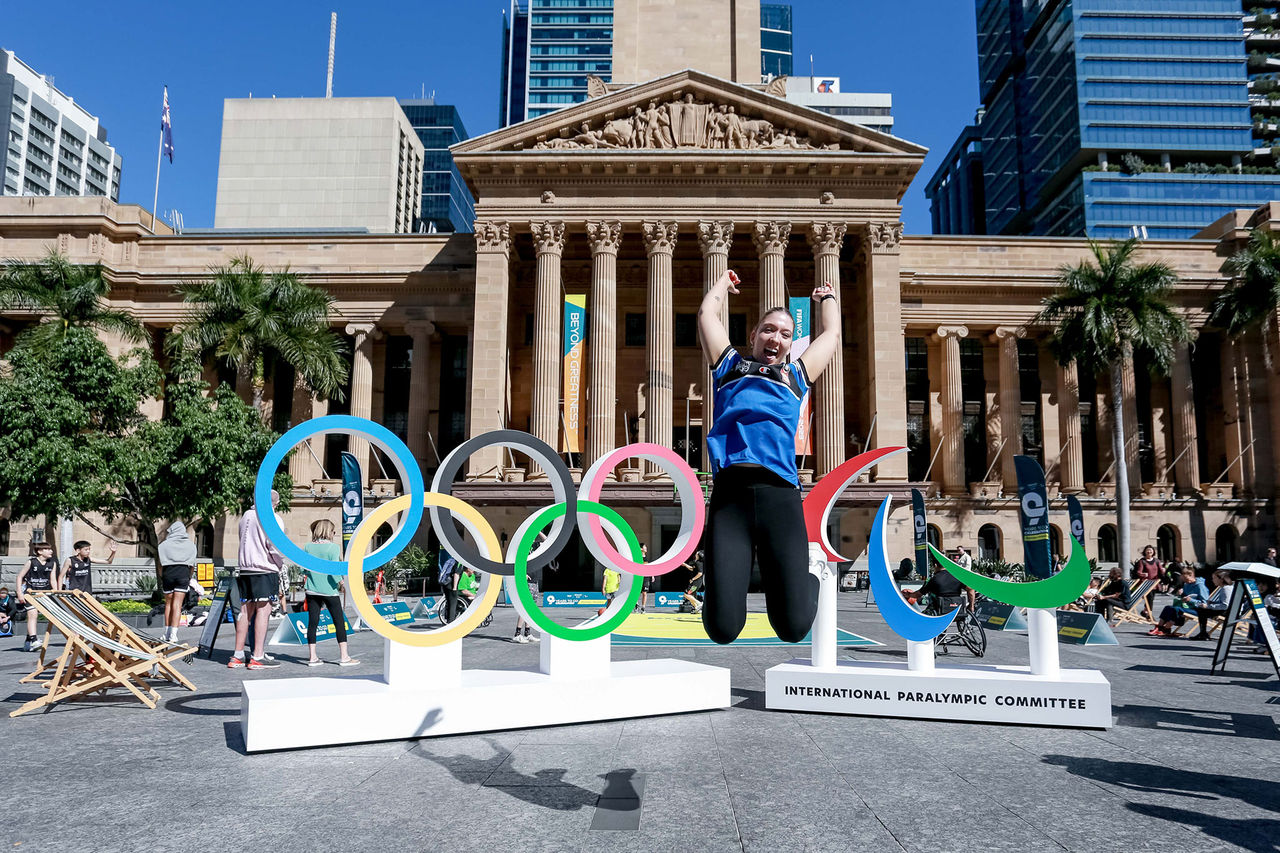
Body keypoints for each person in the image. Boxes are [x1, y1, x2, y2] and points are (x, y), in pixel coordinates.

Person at [696, 269, 842, 644]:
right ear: (753, 336)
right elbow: (707, 317)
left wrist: (826, 298)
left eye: (785, 333)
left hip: (780, 497)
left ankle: (810, 574)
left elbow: (830, 336)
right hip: (731, 498)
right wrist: (723, 286)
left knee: (793, 629)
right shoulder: (728, 367)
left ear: (791, 345)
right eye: (768, 330)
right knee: (723, 629)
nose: (775, 337)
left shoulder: (796, 376)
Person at [229, 490, 285, 670]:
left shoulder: (246, 515)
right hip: (264, 569)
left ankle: (237, 655)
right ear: (273, 503)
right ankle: (257, 656)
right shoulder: (272, 519)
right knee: (263, 611)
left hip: (245, 569)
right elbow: (275, 547)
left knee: (245, 611)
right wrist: (279, 564)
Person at [302, 519, 357, 667]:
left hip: (312, 589)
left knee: (313, 622)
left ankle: (312, 658)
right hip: (329, 590)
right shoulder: (333, 548)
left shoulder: (307, 547)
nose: (334, 534)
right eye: (333, 531)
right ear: (328, 531)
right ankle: (344, 657)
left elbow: (303, 569)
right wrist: (341, 583)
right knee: (339, 622)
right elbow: (333, 570)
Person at [158, 521, 197, 645]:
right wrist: (189, 577)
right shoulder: (191, 546)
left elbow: (160, 564)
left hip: (168, 573)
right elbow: (192, 565)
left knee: (168, 604)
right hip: (183, 573)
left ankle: (166, 632)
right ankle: (174, 635)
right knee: (177, 605)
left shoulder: (163, 545)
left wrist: (162, 575)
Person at [16, 543, 59, 652]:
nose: (51, 551)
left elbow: (52, 579)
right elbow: (20, 576)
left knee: (34, 617)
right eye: (47, 549)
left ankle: (28, 640)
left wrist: (56, 592)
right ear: (39, 551)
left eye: (50, 549)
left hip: (44, 594)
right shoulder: (31, 562)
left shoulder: (52, 563)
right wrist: (20, 593)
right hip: (30, 593)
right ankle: (34, 640)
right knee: (33, 615)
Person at [1149, 566, 1210, 637]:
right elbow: (1186, 597)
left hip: (1197, 609)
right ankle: (1159, 627)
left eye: (1186, 579)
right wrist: (1181, 595)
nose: (1186, 581)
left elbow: (1204, 602)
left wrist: (1191, 600)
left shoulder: (1200, 586)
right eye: (1184, 579)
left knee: (1176, 609)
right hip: (1187, 606)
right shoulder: (1187, 584)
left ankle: (1166, 629)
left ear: (1191, 575)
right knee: (1168, 607)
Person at [513, 533, 545, 643]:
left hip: (535, 579)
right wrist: (523, 573)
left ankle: (527, 632)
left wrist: (539, 531)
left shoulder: (536, 546)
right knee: (525, 606)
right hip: (527, 580)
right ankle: (517, 633)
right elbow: (517, 561)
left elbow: (547, 540)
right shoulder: (522, 548)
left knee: (532, 607)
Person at [1188, 570, 1235, 640]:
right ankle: (1203, 633)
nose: (1213, 580)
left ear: (1221, 579)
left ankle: (1203, 633)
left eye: (1214, 578)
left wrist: (1208, 606)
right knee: (1201, 609)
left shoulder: (1226, 589)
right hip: (1229, 610)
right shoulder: (1226, 587)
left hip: (1228, 612)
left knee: (1202, 610)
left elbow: (1225, 605)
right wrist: (1213, 603)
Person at [907, 566, 975, 613]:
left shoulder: (934, 579)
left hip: (941, 611)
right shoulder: (957, 576)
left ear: (936, 565)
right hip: (957, 610)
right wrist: (971, 606)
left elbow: (918, 594)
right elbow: (971, 590)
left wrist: (908, 595)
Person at [1130, 545, 1163, 620]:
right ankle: (1149, 615)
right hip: (1146, 583)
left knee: (1151, 599)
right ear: (1145, 552)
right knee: (1150, 598)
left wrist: (1163, 571)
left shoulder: (1157, 561)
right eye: (1147, 550)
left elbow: (1160, 570)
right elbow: (1138, 572)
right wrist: (1143, 574)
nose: (1149, 552)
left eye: (1150, 550)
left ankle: (1145, 611)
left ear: (1153, 552)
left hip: (1154, 583)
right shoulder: (1142, 561)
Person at [439, 550, 461, 622]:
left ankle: (447, 619)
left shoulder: (451, 560)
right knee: (453, 603)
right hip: (451, 584)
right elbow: (456, 574)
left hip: (445, 583)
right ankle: (451, 622)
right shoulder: (459, 562)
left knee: (448, 601)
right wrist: (454, 588)